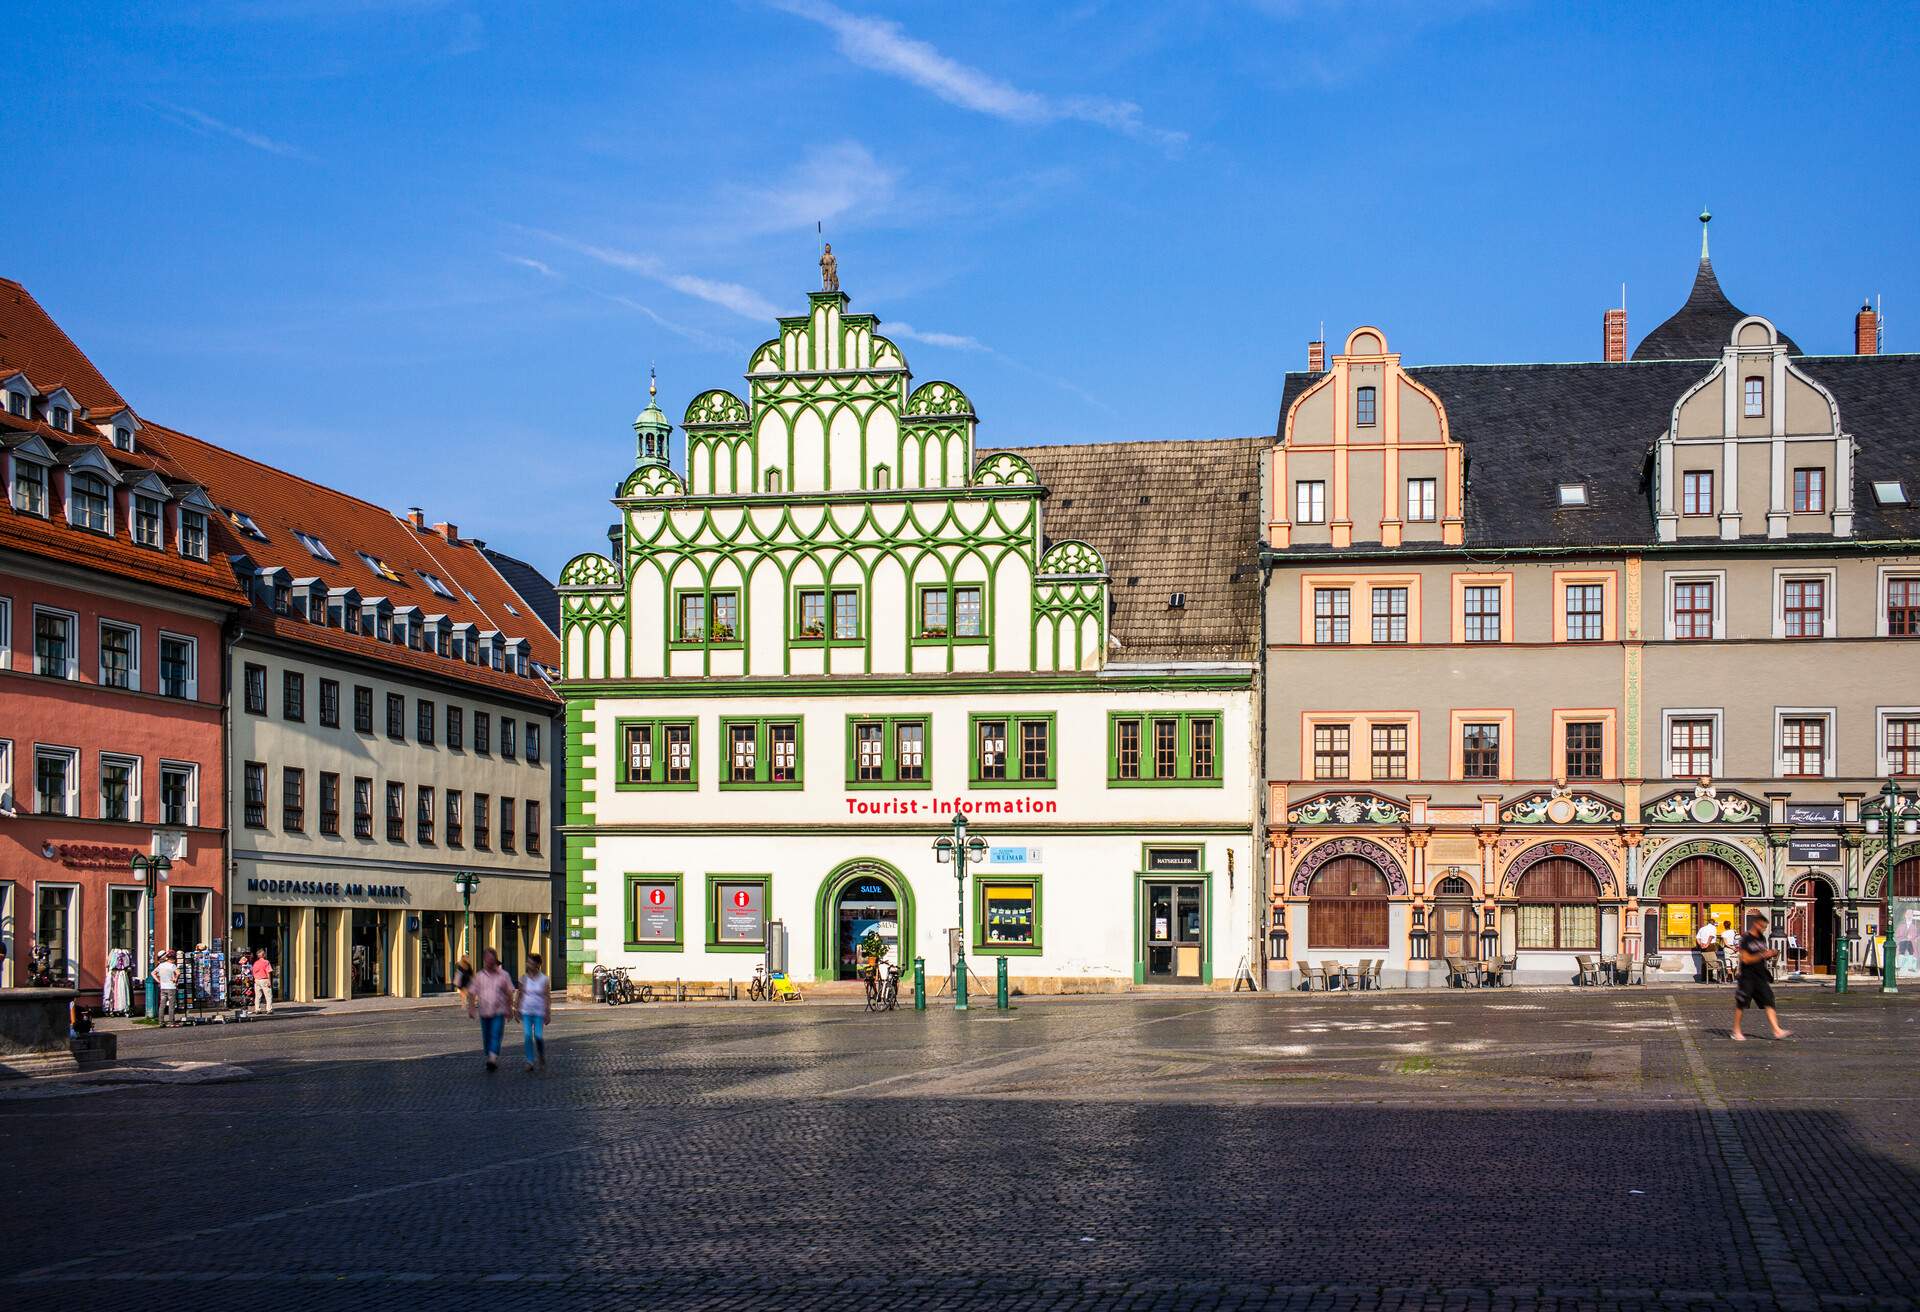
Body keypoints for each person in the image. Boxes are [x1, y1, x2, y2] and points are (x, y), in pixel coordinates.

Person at [1731, 912, 1790, 1042]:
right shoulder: (1746, 939)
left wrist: (1770, 954)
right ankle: (1736, 1030)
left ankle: (1776, 1030)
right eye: (1762, 927)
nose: (1764, 929)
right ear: (1756, 924)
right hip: (1747, 977)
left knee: (1769, 1001)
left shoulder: (1762, 938)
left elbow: (1762, 954)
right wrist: (1763, 955)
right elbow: (1746, 959)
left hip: (1760, 976)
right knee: (1742, 1004)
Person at [466, 948, 514, 1072]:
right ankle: (490, 1054)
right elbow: (471, 993)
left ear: (495, 960)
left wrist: (509, 1008)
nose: (490, 963)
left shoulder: (503, 975)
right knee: (487, 1036)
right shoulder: (479, 976)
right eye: (488, 960)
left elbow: (509, 992)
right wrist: (471, 1008)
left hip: (499, 1011)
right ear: (484, 961)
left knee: (496, 1034)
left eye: (492, 960)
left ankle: (492, 1058)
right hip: (484, 1011)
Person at [515, 953, 551, 1072]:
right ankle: (530, 1061)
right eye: (528, 962)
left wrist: (547, 1013)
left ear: (538, 964)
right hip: (526, 1011)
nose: (528, 964)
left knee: (538, 1036)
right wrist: (517, 1009)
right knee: (528, 1036)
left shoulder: (544, 979)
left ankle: (541, 1056)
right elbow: (519, 994)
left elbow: (547, 996)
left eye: (531, 962)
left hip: (539, 1012)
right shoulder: (523, 978)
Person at [153, 951, 179, 1026]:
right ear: (173, 958)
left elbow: (153, 973)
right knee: (171, 1005)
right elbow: (178, 973)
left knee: (162, 1005)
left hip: (163, 987)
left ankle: (161, 1022)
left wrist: (158, 981)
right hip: (171, 987)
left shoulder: (161, 965)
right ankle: (171, 1022)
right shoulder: (172, 966)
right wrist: (176, 979)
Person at [251, 950, 274, 1015]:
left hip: (257, 980)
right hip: (264, 979)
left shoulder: (255, 963)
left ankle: (257, 1009)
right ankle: (269, 1010)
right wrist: (269, 981)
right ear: (264, 955)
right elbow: (268, 972)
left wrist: (255, 979)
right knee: (268, 996)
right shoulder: (266, 962)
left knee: (258, 996)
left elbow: (253, 972)